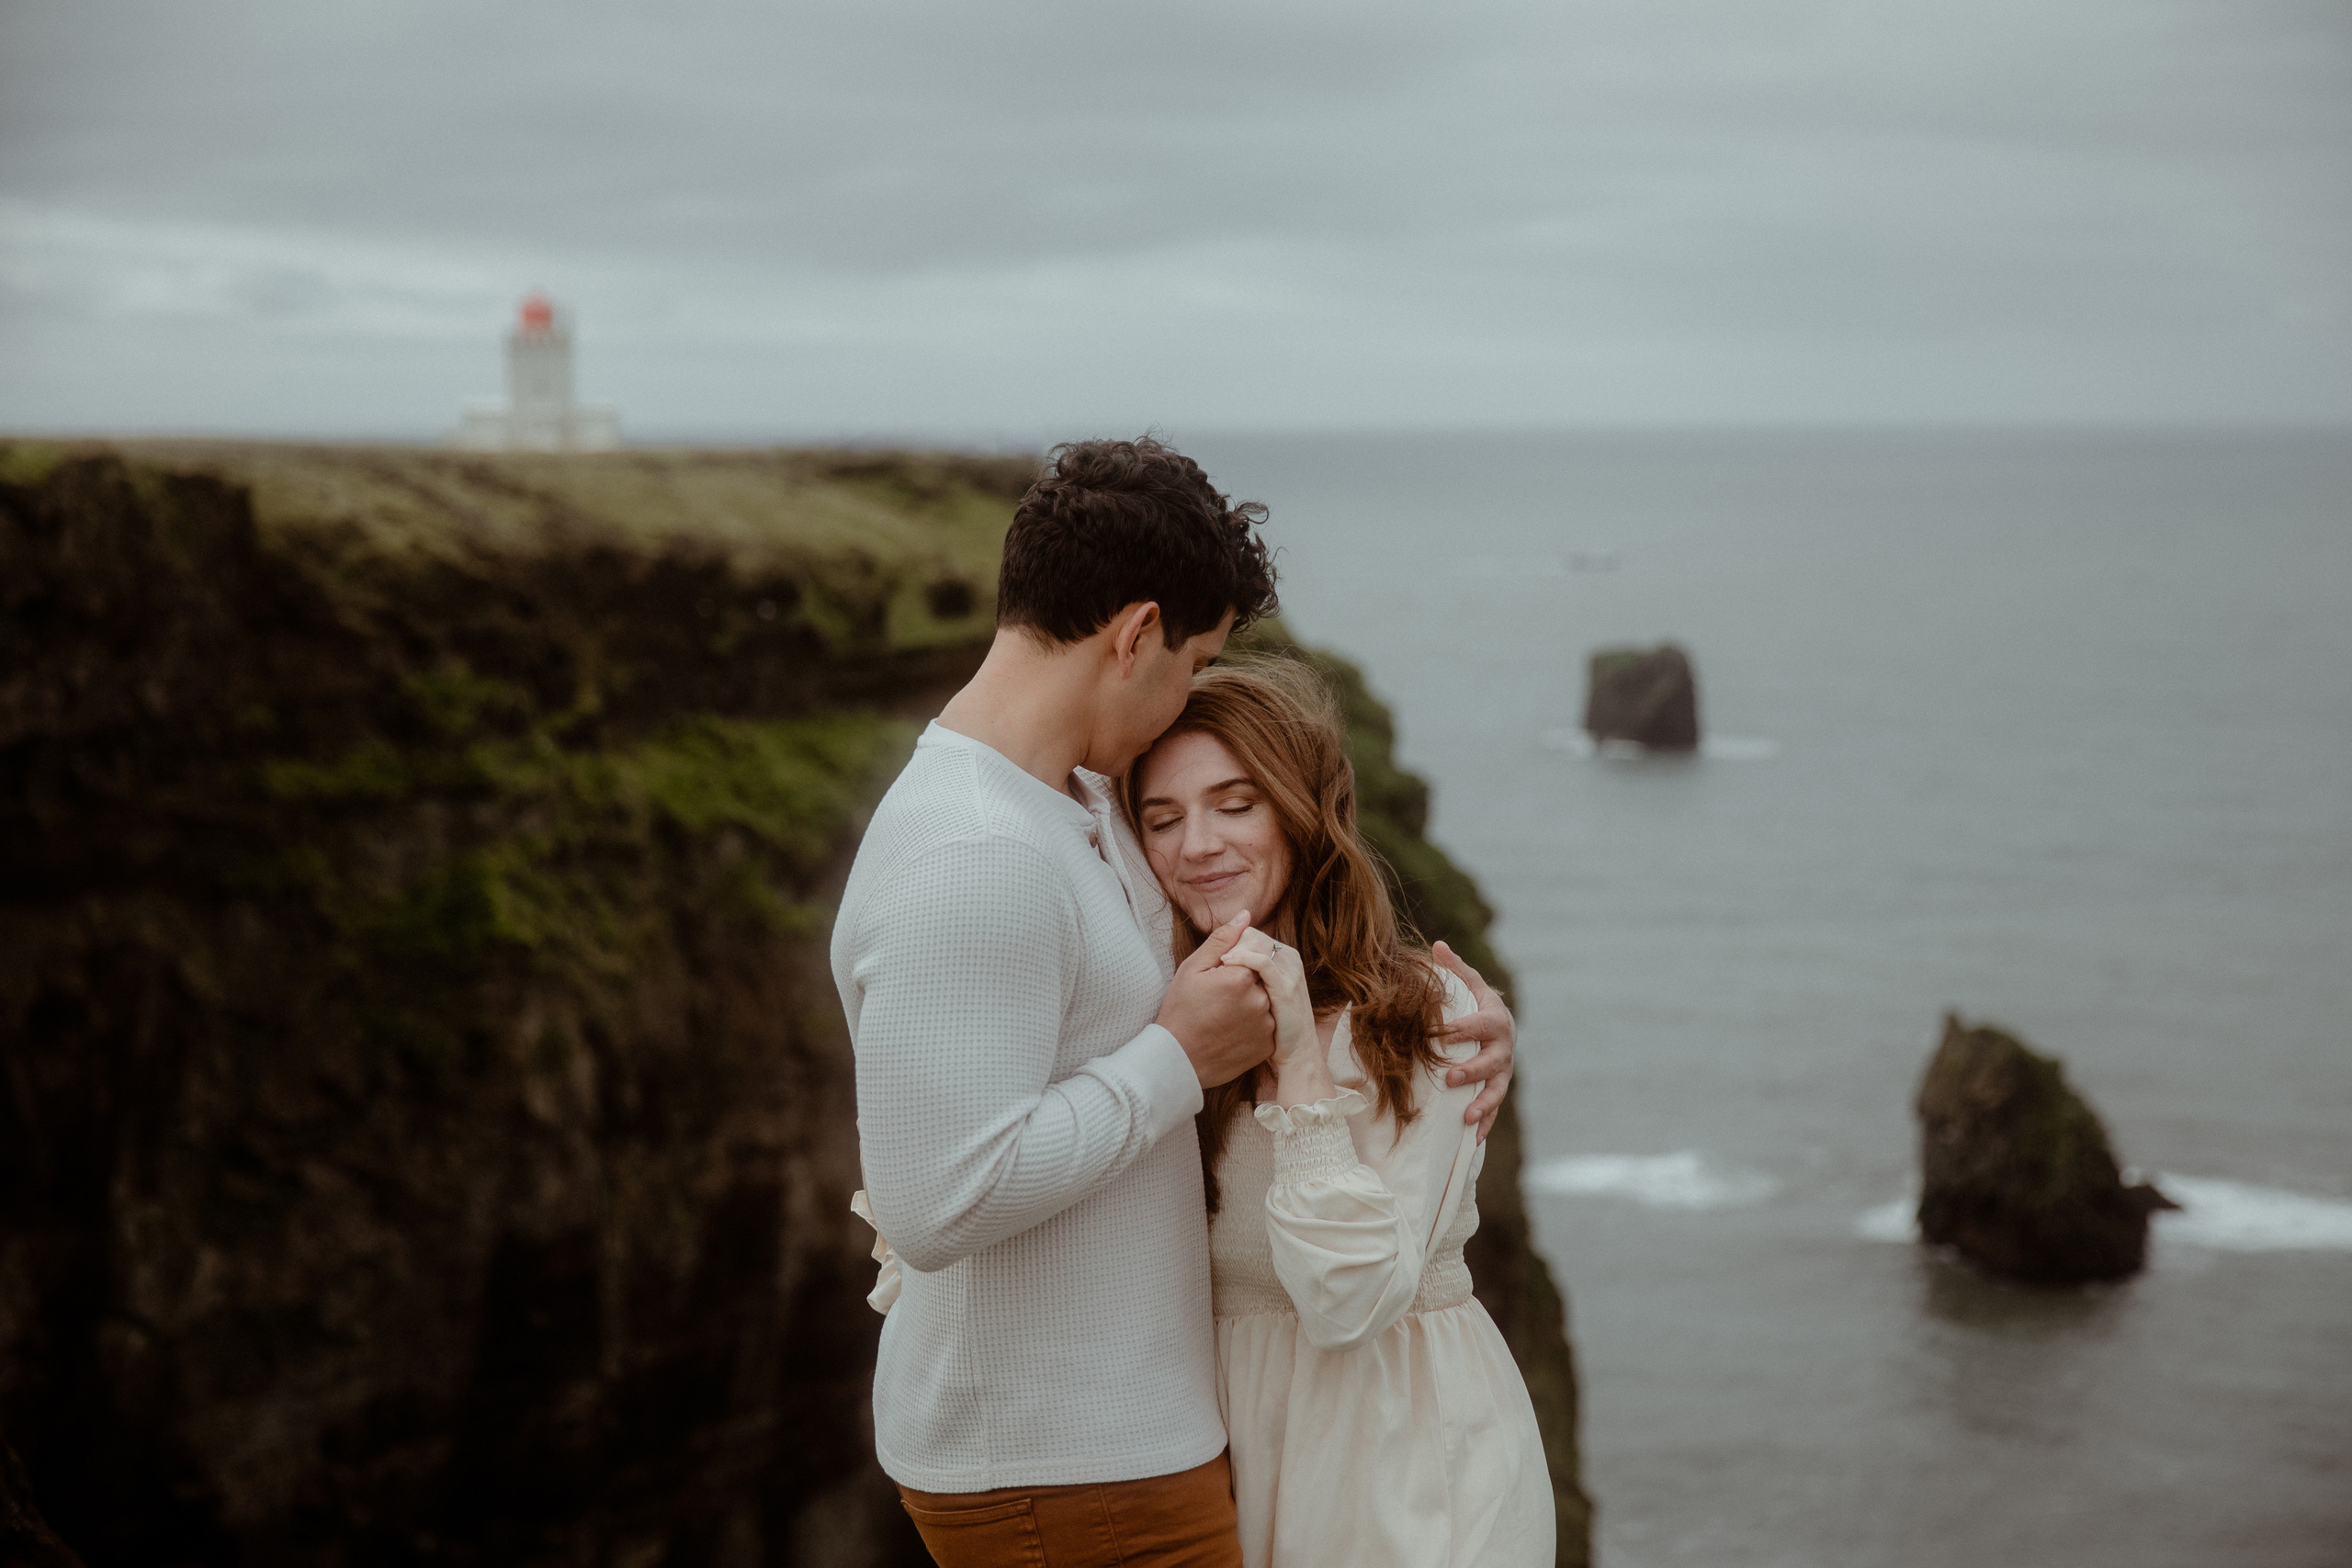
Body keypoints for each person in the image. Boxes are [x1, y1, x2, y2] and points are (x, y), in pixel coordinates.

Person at [834, 437, 1521, 1568]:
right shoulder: (972, 852)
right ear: (1136, 634)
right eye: (1190, 661)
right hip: (1058, 1462)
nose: (1181, 705)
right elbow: (935, 1199)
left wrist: (1447, 1019)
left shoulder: (1079, 801)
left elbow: (1254, 918)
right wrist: (1173, 1058)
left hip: (1130, 1441)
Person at [1121, 660, 1555, 1568]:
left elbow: (1351, 1298)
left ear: (1300, 810)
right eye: (1162, 819)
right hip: (1224, 1457)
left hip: (1403, 1466)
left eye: (1235, 804)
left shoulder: (1420, 1013)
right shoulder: (1158, 1028)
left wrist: (1299, 1064)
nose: (1197, 844)